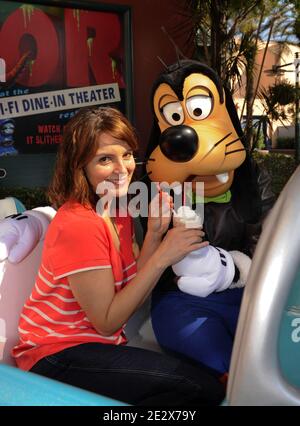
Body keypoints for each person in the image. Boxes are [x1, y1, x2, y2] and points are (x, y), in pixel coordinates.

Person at [11, 106, 224, 406]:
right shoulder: (78, 224)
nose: (122, 168)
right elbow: (108, 321)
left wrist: (153, 234)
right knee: (198, 389)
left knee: (204, 382)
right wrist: (163, 254)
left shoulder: (118, 210)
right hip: (55, 356)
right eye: (104, 159)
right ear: (79, 167)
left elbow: (129, 287)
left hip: (95, 346)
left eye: (125, 154)